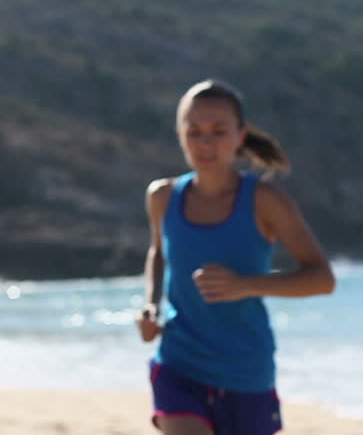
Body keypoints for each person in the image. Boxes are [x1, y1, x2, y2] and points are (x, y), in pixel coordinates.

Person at [136, 79, 336, 435]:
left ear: (240, 136)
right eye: (194, 131)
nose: (205, 142)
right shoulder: (163, 197)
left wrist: (245, 285)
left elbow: (322, 279)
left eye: (218, 131)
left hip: (246, 373)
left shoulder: (265, 200)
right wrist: (151, 305)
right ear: (180, 134)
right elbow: (158, 253)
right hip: (179, 363)